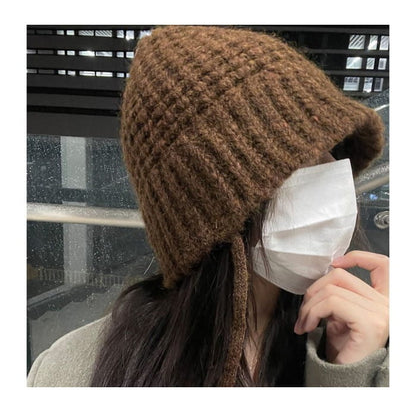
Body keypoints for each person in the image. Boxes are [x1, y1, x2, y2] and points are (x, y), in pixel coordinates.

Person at [27, 25, 389, 387]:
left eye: (329, 154)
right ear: (211, 207)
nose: (333, 176)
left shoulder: (367, 338)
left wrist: (350, 373)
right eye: (296, 163)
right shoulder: (69, 373)